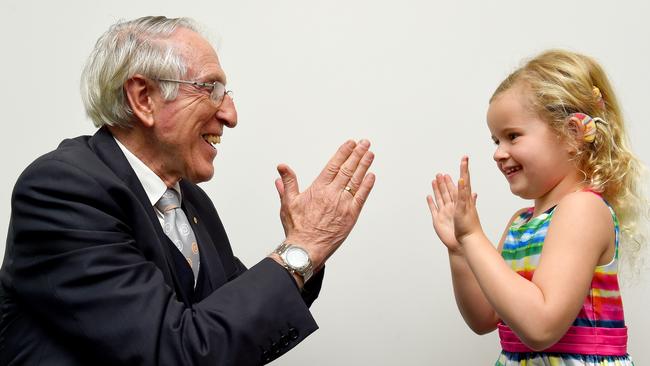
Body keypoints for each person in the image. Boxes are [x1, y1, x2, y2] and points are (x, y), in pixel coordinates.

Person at [0, 16, 376, 365]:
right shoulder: (61, 189)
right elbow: (173, 350)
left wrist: (305, 246)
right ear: (143, 98)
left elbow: (231, 330)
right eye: (211, 89)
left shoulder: (190, 201)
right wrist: (304, 246)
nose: (230, 114)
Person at [426, 49, 646, 365]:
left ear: (571, 134)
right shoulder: (521, 222)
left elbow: (541, 327)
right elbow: (483, 318)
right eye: (495, 141)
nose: (498, 153)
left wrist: (475, 238)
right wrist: (461, 249)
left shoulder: (583, 210)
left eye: (512, 136)